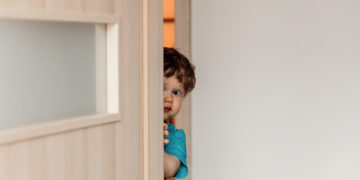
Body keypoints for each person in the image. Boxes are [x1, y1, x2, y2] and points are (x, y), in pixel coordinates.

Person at [163, 47, 196, 179]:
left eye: (176, 92)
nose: (169, 98)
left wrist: (155, 143)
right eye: (162, 88)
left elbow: (169, 169)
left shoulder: (176, 136)